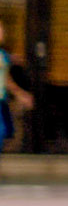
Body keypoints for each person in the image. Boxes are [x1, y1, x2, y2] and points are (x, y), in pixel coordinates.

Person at [0, 17, 30, 151]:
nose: (2, 33)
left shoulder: (3, 55)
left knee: (4, 131)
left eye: (2, 30)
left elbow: (6, 77)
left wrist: (20, 94)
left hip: (2, 101)